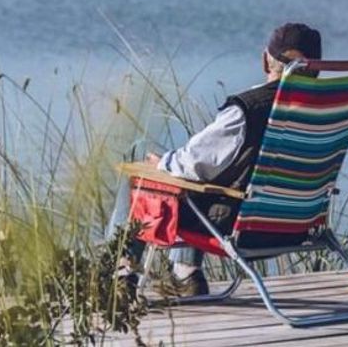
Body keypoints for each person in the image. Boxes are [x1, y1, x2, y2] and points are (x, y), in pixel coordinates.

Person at [110, 22, 322, 297]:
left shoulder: (248, 110)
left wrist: (162, 164)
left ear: (265, 60)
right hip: (298, 226)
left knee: (139, 179)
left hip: (243, 228)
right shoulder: (327, 110)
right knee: (207, 175)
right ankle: (184, 274)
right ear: (317, 67)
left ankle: (122, 275)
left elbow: (195, 163)